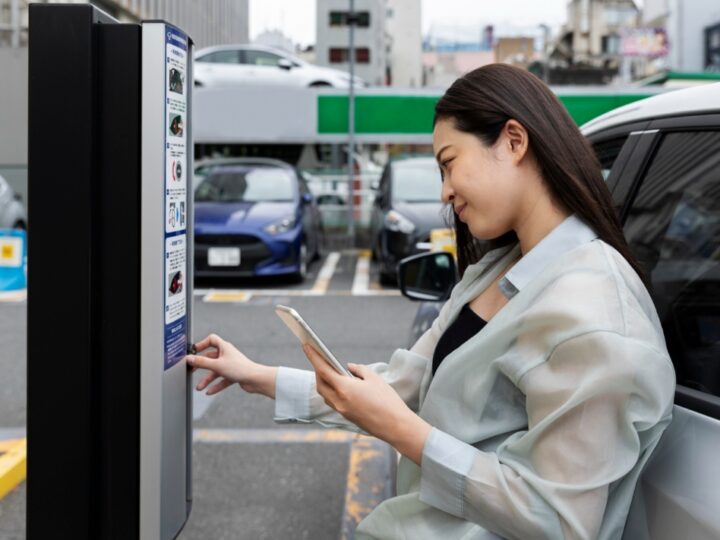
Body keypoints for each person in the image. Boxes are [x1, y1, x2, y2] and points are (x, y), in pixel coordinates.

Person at [185, 64, 675, 539]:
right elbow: (405, 384)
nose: (445, 191)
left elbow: (560, 522)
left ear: (513, 141)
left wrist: (403, 432)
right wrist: (257, 376)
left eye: (448, 162)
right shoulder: (499, 268)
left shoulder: (595, 311)